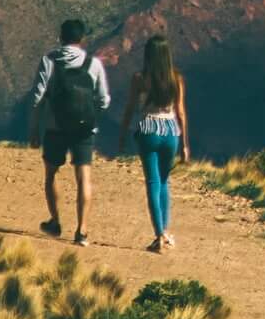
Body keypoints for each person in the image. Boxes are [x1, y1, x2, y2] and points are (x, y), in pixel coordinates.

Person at [28, 18, 110, 245]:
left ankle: (55, 221)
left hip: (55, 127)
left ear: (60, 37)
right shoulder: (93, 64)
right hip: (84, 129)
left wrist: (35, 128)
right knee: (84, 178)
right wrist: (91, 115)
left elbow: (38, 97)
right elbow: (104, 99)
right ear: (82, 39)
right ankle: (82, 231)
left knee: (51, 174)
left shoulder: (50, 60)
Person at [119, 34, 191, 252]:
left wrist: (122, 135)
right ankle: (165, 232)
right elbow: (180, 112)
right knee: (164, 181)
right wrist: (185, 144)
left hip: (149, 129)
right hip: (171, 131)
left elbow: (131, 108)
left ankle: (158, 234)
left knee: (152, 182)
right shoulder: (176, 78)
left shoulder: (140, 78)